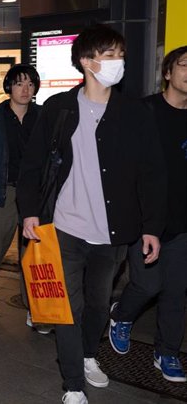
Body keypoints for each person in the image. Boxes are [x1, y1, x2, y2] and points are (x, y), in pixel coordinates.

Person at [17, 24, 166, 404]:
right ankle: (72, 385)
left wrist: (152, 227)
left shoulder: (135, 113)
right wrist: (30, 213)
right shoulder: (59, 108)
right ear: (86, 61)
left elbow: (151, 171)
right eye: (110, 55)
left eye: (120, 56)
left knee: (98, 305)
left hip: (112, 233)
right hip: (65, 226)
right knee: (68, 306)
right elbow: (32, 164)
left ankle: (86, 355)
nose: (119, 63)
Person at [108, 45, 187, 382]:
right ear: (167, 73)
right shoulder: (144, 111)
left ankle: (167, 352)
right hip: (143, 219)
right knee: (147, 285)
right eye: (185, 65)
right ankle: (121, 316)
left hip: (182, 221)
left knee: (176, 290)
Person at [0, 64, 50, 331]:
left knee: (34, 252)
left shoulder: (43, 117)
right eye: (19, 83)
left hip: (35, 191)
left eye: (29, 84)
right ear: (9, 88)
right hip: (3, 190)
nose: (25, 89)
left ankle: (34, 307)